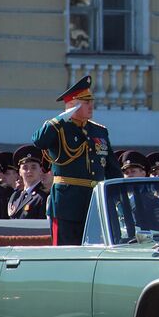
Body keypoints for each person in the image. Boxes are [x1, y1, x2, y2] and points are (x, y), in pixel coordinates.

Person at [34, 75, 122, 246]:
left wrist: (116, 196)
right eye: (86, 102)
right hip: (67, 205)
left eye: (91, 101)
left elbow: (112, 169)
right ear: (73, 105)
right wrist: (61, 118)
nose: (91, 105)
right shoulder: (58, 128)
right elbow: (39, 141)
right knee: (65, 255)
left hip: (94, 204)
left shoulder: (99, 131)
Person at [9, 146, 49, 220]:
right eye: (25, 168)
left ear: (40, 170)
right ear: (19, 172)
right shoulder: (16, 195)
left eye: (33, 167)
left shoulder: (44, 196)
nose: (29, 171)